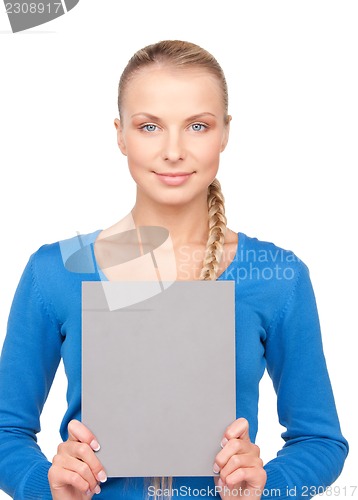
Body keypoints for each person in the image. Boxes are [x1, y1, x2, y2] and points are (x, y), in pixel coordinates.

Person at [0, 40, 348, 500]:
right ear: (120, 134)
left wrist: (268, 487)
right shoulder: (55, 273)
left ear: (225, 133)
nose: (173, 151)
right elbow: (6, 430)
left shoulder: (278, 278)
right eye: (149, 126)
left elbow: (321, 441)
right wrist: (45, 484)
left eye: (197, 126)